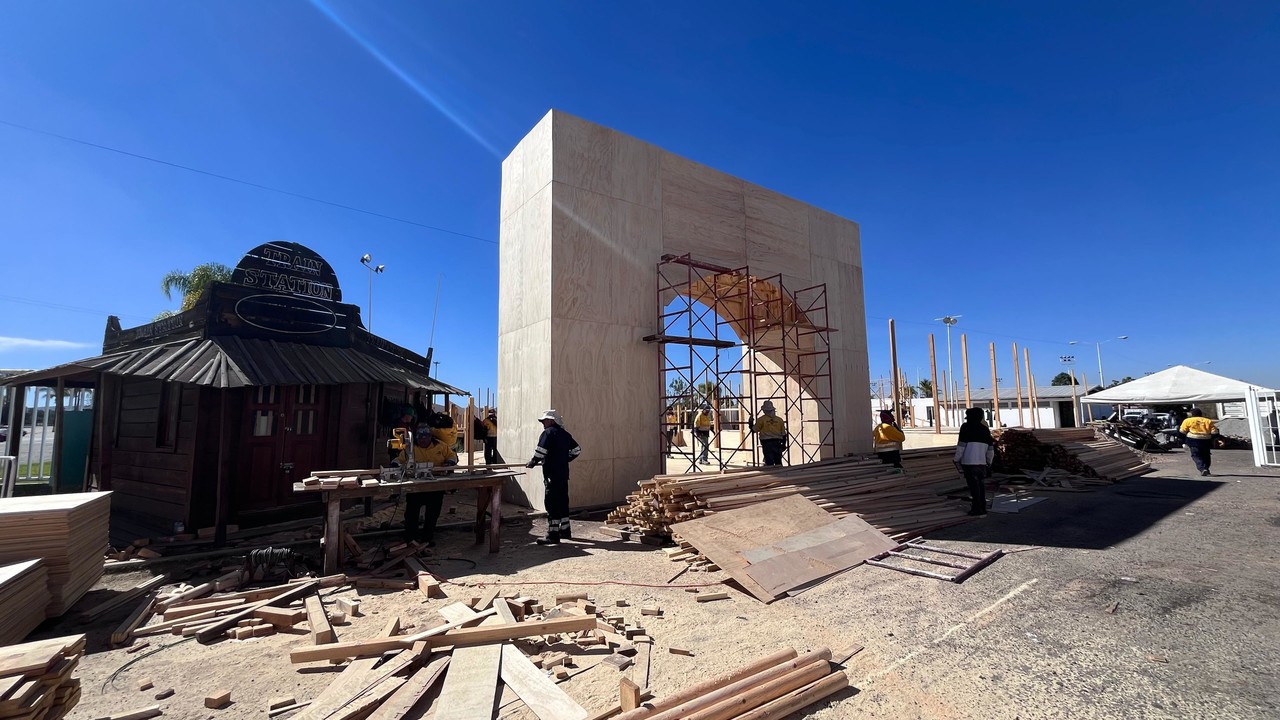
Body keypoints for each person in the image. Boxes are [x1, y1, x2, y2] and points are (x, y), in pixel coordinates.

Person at [525, 410, 582, 544]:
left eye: (545, 421)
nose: (543, 423)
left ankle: (553, 534)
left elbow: (540, 451)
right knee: (562, 501)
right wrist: (564, 460)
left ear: (552, 421)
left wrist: (533, 462)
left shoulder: (548, 433)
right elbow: (577, 450)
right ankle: (566, 531)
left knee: (551, 503)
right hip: (563, 474)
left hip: (551, 475)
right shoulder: (566, 435)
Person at [394, 426, 457, 547]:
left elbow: (452, 455)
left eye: (426, 437)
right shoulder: (410, 448)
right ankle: (410, 538)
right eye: (420, 438)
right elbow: (400, 459)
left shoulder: (440, 446)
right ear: (417, 438)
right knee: (412, 513)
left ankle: (427, 538)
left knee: (432, 513)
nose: (423, 440)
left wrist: (449, 462)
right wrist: (395, 464)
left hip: (435, 484)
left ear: (430, 437)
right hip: (416, 485)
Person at [954, 408, 995, 516]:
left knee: (973, 488)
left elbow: (961, 446)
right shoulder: (985, 429)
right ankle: (983, 507)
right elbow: (990, 449)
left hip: (968, 463)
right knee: (981, 486)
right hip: (982, 463)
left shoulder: (966, 427)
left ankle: (976, 509)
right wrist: (989, 462)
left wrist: (956, 459)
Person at [1179, 408, 1217, 476]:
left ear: (1192, 414)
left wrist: (1183, 441)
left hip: (1193, 439)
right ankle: (1206, 469)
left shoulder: (1187, 420)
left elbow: (1182, 431)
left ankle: (1202, 468)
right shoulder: (1208, 421)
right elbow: (1214, 432)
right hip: (1206, 439)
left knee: (1196, 455)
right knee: (1206, 455)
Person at [753, 400, 787, 466]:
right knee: (778, 460)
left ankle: (771, 473)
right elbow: (784, 434)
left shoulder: (761, 420)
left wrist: (750, 424)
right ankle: (780, 473)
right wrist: (784, 444)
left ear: (765, 410)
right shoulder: (779, 420)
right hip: (777, 442)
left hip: (766, 443)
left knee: (769, 461)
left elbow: (754, 430)